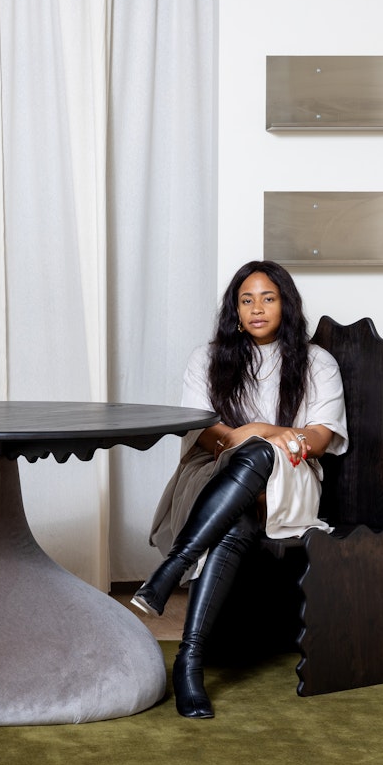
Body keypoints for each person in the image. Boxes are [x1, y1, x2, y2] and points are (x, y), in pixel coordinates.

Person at [132, 260, 348, 719]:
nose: (257, 308)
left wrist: (261, 431)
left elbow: (319, 437)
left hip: (291, 478)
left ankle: (172, 569)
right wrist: (258, 438)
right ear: (235, 310)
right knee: (239, 510)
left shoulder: (317, 362)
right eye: (246, 300)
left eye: (268, 298)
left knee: (260, 454)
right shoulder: (207, 358)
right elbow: (203, 432)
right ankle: (189, 663)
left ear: (286, 306)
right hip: (216, 473)